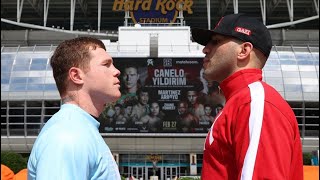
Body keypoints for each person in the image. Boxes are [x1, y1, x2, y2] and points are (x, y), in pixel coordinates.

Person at [192, 13, 303, 179]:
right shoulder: (243, 101)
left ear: (244, 51)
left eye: (215, 41)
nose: (205, 49)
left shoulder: (253, 102)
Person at [27, 37, 122, 179]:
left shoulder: (78, 129)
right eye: (106, 64)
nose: (116, 71)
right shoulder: (68, 135)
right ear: (76, 76)